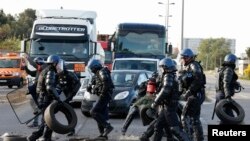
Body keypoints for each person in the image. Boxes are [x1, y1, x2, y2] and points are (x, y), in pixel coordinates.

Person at [140, 58, 189, 141]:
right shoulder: (171, 75)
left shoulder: (168, 76)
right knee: (158, 127)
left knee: (175, 129)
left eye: (161, 67)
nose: (161, 69)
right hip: (166, 106)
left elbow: (165, 90)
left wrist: (155, 102)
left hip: (169, 107)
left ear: (165, 67)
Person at [27, 55, 63, 141]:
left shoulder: (46, 70)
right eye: (58, 64)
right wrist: (58, 98)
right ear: (54, 63)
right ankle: (46, 138)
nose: (59, 65)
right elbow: (49, 87)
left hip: (43, 98)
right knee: (48, 120)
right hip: (45, 98)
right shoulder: (50, 72)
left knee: (45, 120)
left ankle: (35, 136)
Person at [179, 48, 206, 141]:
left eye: (183, 58)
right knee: (195, 118)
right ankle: (199, 138)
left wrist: (189, 92)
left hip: (196, 94)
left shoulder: (194, 65)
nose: (182, 60)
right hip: (196, 94)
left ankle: (188, 138)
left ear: (188, 58)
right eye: (181, 58)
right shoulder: (188, 66)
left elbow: (198, 80)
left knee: (185, 116)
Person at [86, 58, 114, 140]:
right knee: (100, 114)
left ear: (95, 67)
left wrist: (102, 94)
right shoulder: (98, 73)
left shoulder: (102, 71)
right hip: (103, 95)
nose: (91, 70)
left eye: (92, 68)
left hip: (105, 95)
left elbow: (106, 83)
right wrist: (90, 87)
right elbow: (94, 81)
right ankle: (103, 135)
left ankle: (108, 127)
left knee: (93, 112)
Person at [56, 59, 81, 136]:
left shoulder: (70, 74)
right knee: (50, 112)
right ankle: (47, 129)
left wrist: (72, 94)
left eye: (60, 67)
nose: (59, 69)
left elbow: (78, 84)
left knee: (68, 113)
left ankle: (71, 130)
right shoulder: (56, 75)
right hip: (59, 96)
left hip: (68, 96)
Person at [23, 56, 46, 128]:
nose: (36, 66)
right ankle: (36, 123)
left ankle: (43, 123)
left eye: (37, 64)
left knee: (42, 107)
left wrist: (27, 57)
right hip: (36, 90)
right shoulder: (38, 70)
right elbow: (30, 72)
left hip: (42, 91)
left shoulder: (44, 68)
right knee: (36, 107)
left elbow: (33, 64)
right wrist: (25, 67)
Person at [215, 53, 239, 122]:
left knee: (225, 117)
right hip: (224, 95)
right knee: (230, 117)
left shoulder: (222, 69)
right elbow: (226, 82)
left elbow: (223, 81)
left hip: (220, 94)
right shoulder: (229, 69)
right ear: (232, 61)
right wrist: (228, 96)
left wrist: (235, 83)